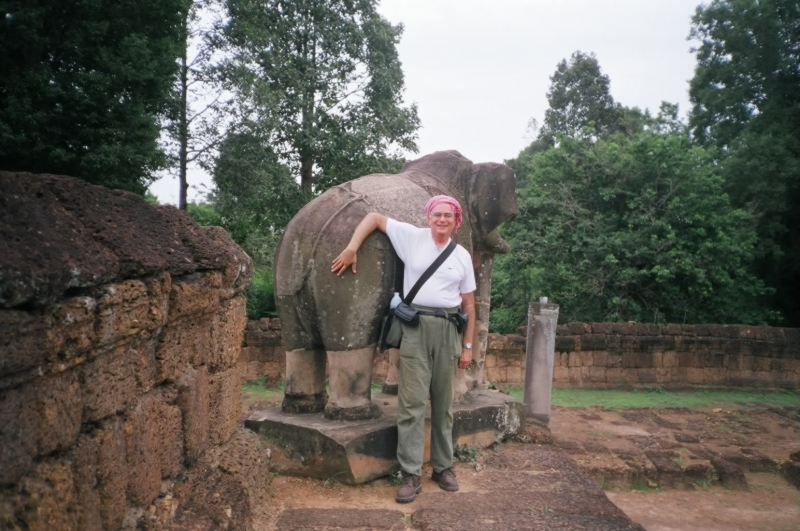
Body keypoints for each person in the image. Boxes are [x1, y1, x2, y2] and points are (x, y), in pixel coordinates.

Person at [331, 195, 476, 503]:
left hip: (448, 330)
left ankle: (443, 467)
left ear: (456, 221)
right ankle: (410, 473)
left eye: (448, 216)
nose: (441, 219)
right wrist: (352, 247)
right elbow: (374, 218)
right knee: (410, 405)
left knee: (443, 405)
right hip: (415, 327)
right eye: (437, 214)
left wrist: (467, 347)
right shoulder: (412, 237)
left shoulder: (461, 255)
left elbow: (470, 305)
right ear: (428, 217)